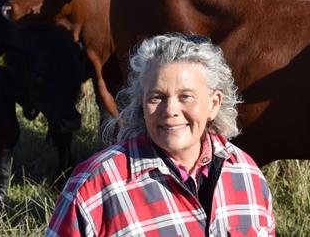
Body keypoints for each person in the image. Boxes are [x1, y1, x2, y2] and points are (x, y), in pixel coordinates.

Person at [46, 33, 275, 236]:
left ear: (213, 104)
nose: (171, 111)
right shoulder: (94, 185)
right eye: (157, 97)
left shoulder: (247, 174)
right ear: (141, 104)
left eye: (186, 96)